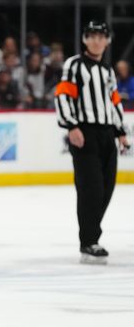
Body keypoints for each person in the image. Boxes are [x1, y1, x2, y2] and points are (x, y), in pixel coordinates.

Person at [55, 21, 130, 264]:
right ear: (85, 39)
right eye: (92, 36)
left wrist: (120, 131)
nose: (97, 40)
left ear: (107, 41)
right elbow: (63, 95)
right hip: (84, 133)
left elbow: (114, 101)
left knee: (106, 189)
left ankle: (90, 234)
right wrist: (71, 126)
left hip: (107, 134)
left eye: (101, 36)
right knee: (92, 190)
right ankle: (89, 241)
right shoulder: (74, 65)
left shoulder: (107, 71)